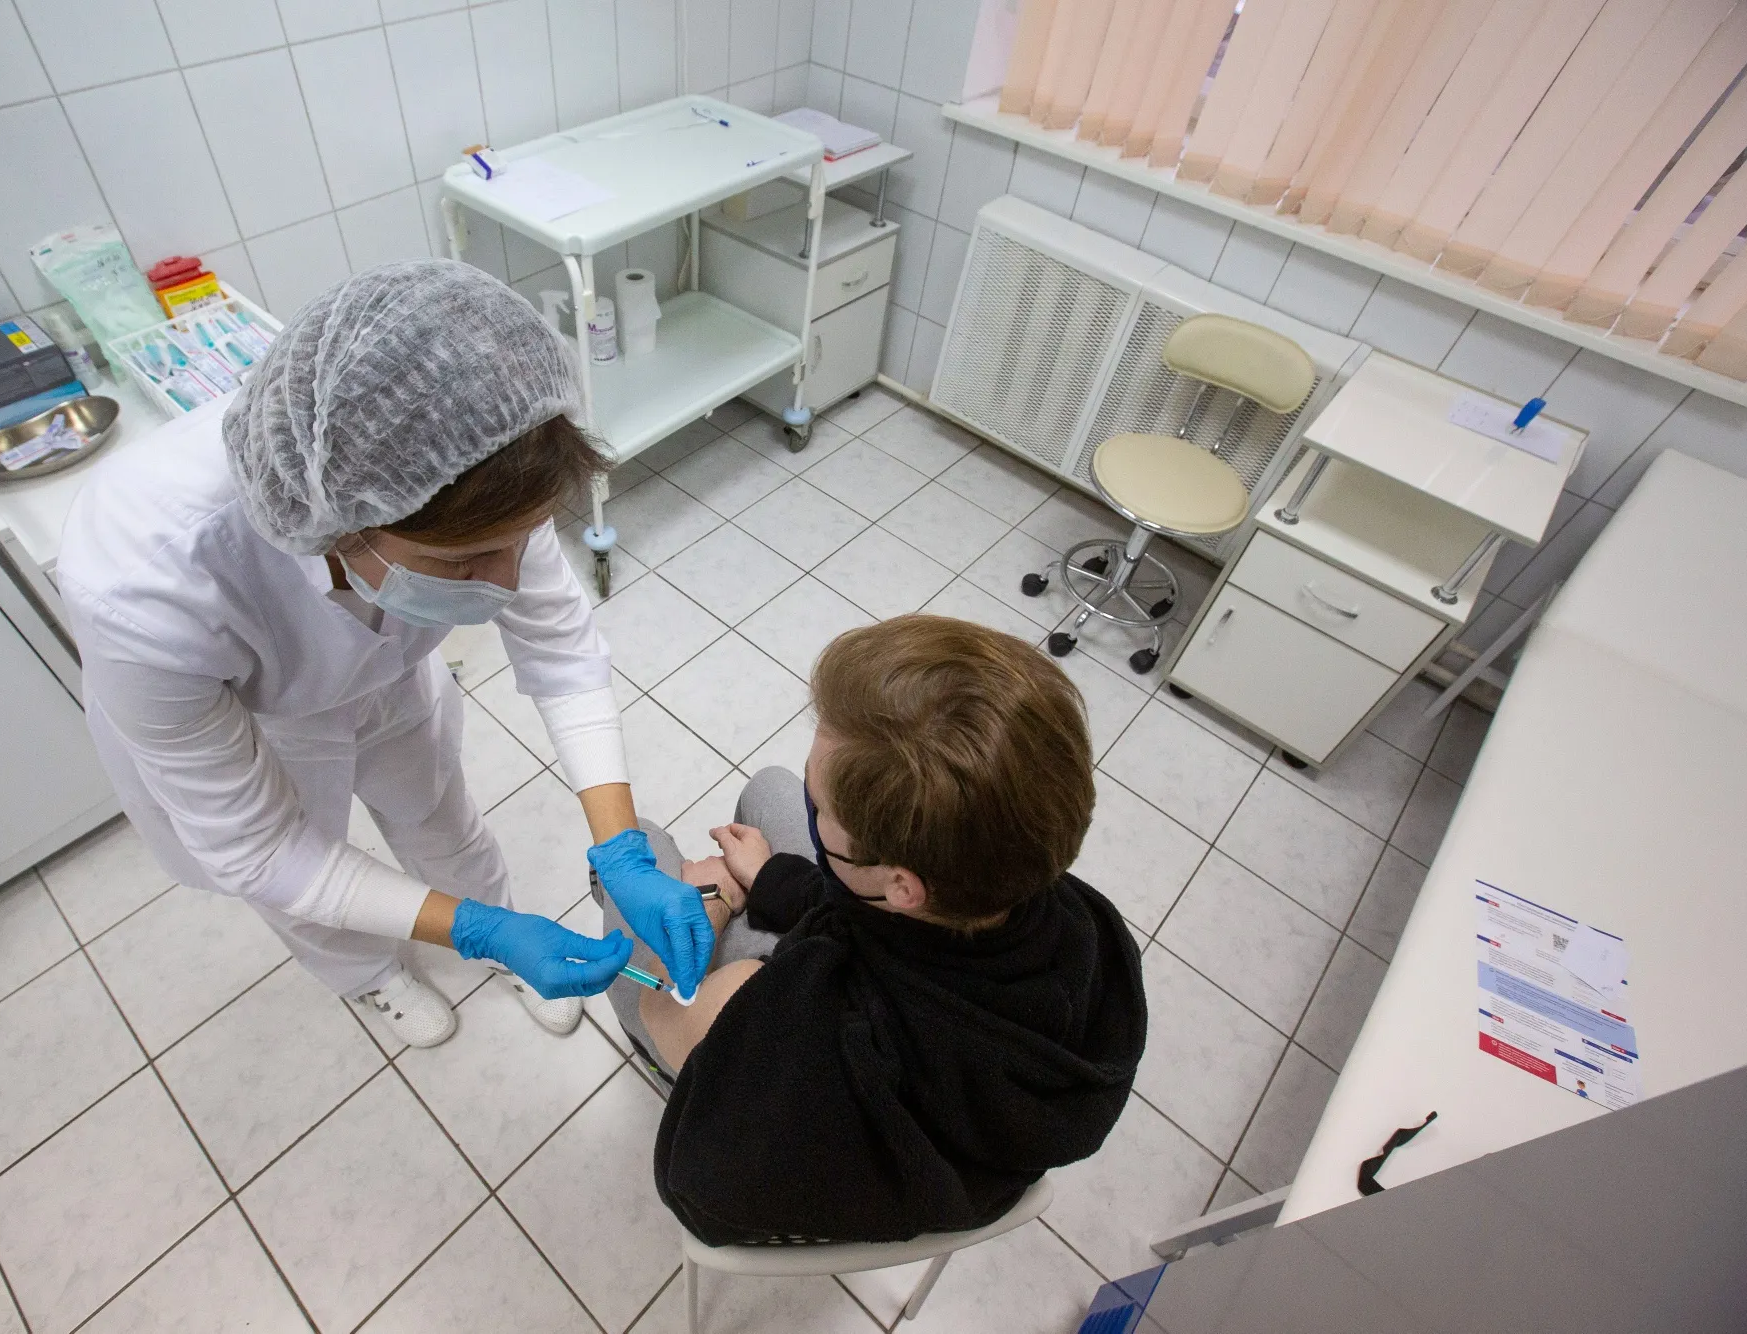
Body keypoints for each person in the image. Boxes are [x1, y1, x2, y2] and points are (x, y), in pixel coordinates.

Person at [58, 261, 716, 1049]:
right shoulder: (143, 588)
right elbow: (264, 851)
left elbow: (563, 650)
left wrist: (622, 850)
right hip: (256, 722)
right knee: (306, 881)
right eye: (465, 564)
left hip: (389, 680)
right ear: (345, 527)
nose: (504, 584)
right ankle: (370, 977)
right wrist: (477, 930)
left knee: (437, 812)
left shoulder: (468, 468)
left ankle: (492, 926)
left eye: (520, 543)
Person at [600, 615, 1148, 1245]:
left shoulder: (799, 1012)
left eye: (819, 808)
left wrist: (712, 896)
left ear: (901, 887)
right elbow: (894, 941)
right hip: (944, 1073)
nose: (808, 804)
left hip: (826, 1072)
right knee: (768, 788)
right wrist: (778, 878)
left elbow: (669, 1012)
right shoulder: (1082, 923)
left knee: (640, 843)